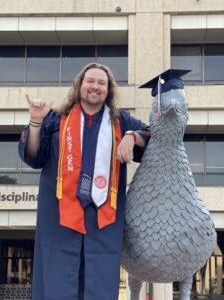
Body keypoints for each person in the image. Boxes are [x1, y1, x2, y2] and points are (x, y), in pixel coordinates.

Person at [18, 63, 150, 300]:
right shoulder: (57, 119)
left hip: (102, 222)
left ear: (108, 90)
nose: (95, 87)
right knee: (57, 282)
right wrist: (36, 122)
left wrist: (132, 137)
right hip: (59, 220)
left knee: (98, 283)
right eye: (90, 81)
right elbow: (34, 155)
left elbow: (153, 135)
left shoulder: (121, 122)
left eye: (102, 83)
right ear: (80, 85)